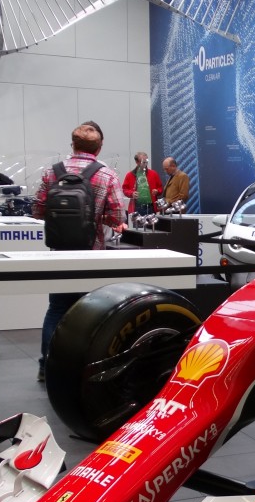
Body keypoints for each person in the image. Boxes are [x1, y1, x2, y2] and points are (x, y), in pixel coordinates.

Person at [31, 120, 124, 381]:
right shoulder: (106, 175)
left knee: (57, 308)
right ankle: (81, 368)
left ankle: (46, 366)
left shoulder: (52, 172)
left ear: (72, 145)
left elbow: (37, 210)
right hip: (91, 251)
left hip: (59, 250)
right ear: (99, 147)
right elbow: (117, 216)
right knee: (90, 310)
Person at [122, 151, 162, 217]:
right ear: (137, 162)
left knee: (152, 224)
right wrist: (131, 193)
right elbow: (125, 189)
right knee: (137, 224)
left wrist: (157, 191)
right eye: (143, 162)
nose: (145, 164)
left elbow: (160, 188)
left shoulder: (154, 174)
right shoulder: (130, 175)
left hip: (151, 208)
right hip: (137, 208)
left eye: (146, 162)